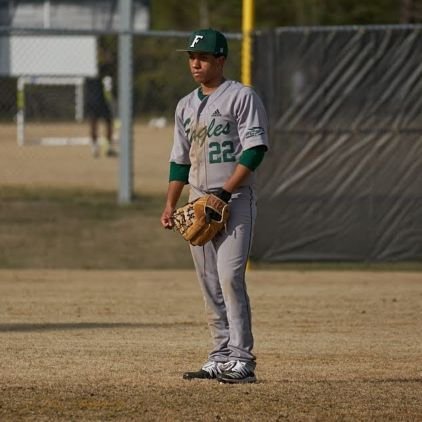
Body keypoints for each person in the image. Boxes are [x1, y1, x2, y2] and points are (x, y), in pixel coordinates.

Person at [160, 28, 269, 384]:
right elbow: (180, 161)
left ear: (220, 60)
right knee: (209, 283)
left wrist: (225, 191)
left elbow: (254, 150)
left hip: (234, 200)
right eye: (192, 57)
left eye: (203, 57)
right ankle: (219, 355)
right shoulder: (185, 106)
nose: (196, 63)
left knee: (229, 277)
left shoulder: (241, 96)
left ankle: (242, 359)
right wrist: (170, 204)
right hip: (198, 199)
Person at [85, 57, 116, 158]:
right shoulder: (89, 70)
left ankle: (107, 147)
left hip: (99, 99)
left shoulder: (101, 70)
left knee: (107, 122)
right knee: (95, 123)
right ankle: (97, 147)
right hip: (94, 99)